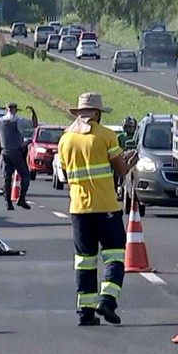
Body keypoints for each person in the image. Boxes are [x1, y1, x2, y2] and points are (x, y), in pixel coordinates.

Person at [58, 92, 138, 326]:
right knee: (114, 255)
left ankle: (85, 312)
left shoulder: (65, 139)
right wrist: (128, 161)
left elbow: (64, 172)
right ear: (97, 113)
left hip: (78, 209)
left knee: (85, 260)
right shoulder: (106, 136)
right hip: (106, 208)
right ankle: (108, 300)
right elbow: (120, 169)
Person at [0, 102, 38, 211]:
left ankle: (8, 202)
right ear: (15, 110)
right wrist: (33, 112)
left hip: (5, 152)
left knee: (7, 178)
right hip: (16, 152)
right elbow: (34, 124)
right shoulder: (19, 121)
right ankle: (21, 198)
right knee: (25, 176)